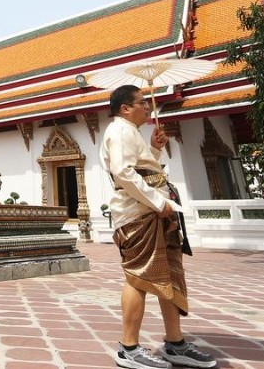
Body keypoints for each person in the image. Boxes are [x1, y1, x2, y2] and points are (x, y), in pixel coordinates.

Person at [101, 85, 216, 369]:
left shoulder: (131, 133)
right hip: (139, 214)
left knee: (169, 277)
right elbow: (123, 173)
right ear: (125, 108)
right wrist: (156, 201)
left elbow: (144, 169)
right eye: (142, 103)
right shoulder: (119, 131)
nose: (147, 108)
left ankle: (175, 343)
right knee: (138, 278)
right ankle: (128, 348)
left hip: (157, 211)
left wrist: (154, 148)